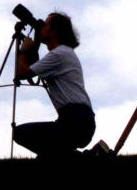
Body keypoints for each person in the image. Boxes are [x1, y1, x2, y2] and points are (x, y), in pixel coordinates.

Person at [13, 12, 96, 158]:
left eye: (45, 25)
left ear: (55, 31)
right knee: (45, 153)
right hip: (76, 120)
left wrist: (24, 50)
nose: (41, 28)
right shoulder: (62, 53)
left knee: (23, 136)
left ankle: (89, 158)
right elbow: (33, 71)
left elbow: (21, 74)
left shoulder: (59, 54)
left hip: (75, 120)